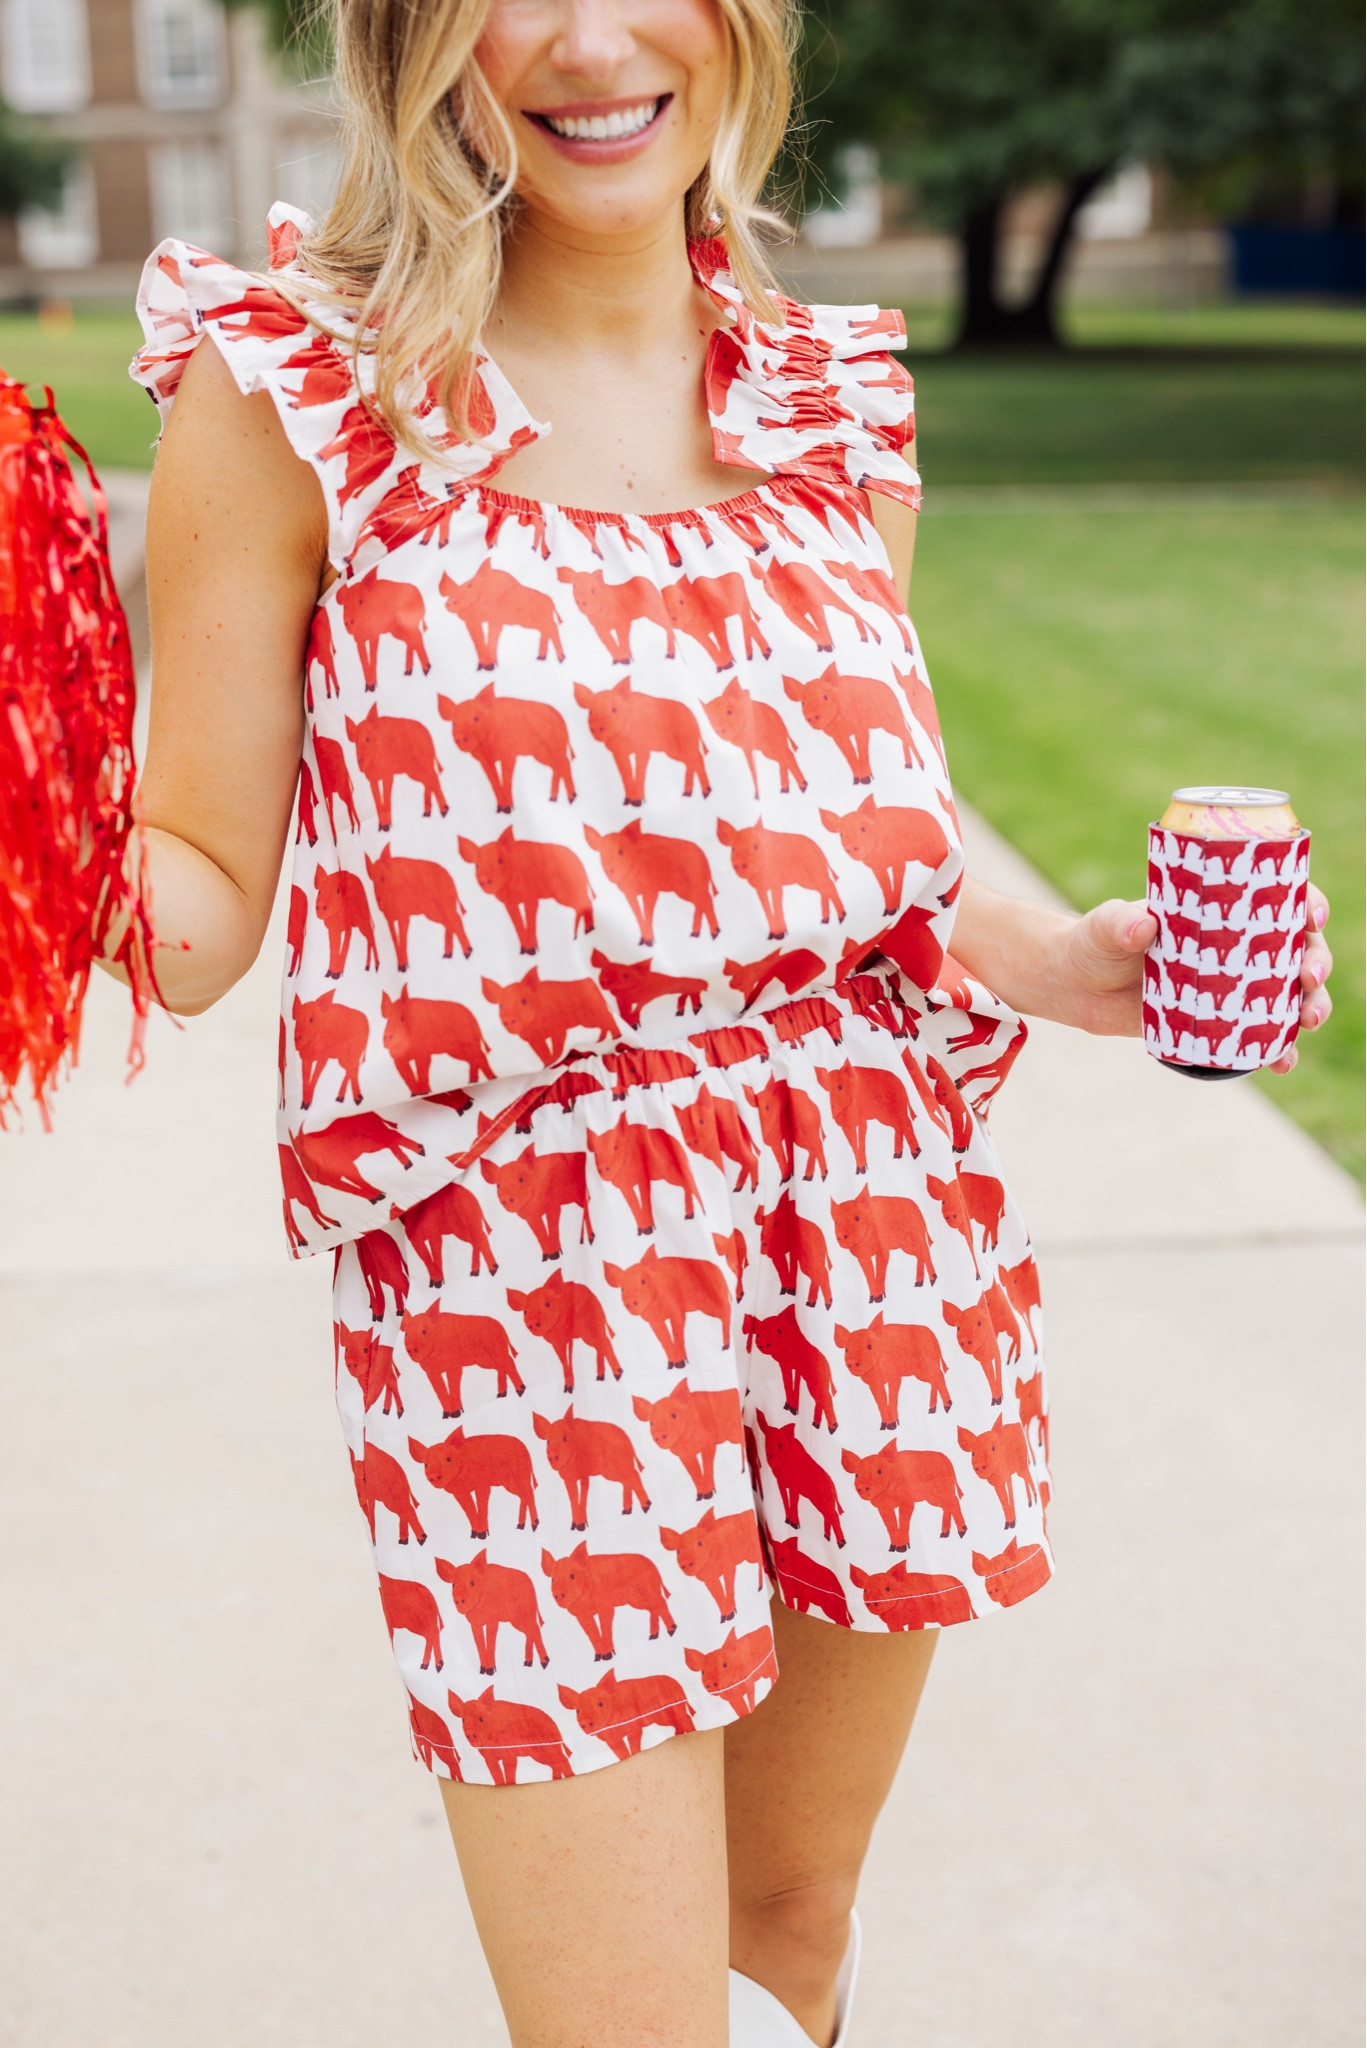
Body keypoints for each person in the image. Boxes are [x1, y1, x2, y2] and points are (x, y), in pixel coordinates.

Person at [107, 0, 1334, 2041]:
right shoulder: (291, 392)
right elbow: (206, 899)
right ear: (414, 36)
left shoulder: (835, 396)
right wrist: (36, 830)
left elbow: (859, 845)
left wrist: (1054, 957)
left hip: (871, 1254)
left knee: (786, 1934)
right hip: (525, 1297)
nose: (595, 42)